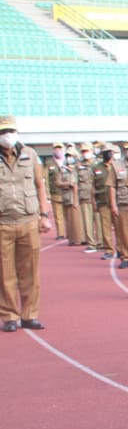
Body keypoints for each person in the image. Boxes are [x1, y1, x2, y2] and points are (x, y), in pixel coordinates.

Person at [0, 114, 53, 332]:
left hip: (28, 220)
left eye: (10, 131)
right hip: (3, 223)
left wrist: (44, 214)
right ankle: (9, 316)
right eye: (3, 132)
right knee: (5, 274)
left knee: (30, 272)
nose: (7, 136)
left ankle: (30, 315)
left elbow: (40, 184)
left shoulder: (30, 154)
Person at [104, 142, 128, 269]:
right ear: (124, 151)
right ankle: (126, 257)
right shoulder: (117, 166)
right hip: (124, 203)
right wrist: (113, 205)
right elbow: (111, 187)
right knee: (125, 233)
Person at [75, 142, 100, 253]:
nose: (85, 153)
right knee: (87, 222)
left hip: (98, 196)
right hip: (85, 196)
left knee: (99, 222)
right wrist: (76, 198)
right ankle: (91, 244)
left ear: (92, 151)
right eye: (83, 151)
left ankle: (101, 243)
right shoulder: (79, 166)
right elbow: (76, 182)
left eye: (87, 151)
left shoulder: (98, 164)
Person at [44, 143, 68, 239]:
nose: (58, 151)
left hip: (68, 192)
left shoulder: (68, 161)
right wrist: (47, 193)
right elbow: (45, 179)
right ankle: (61, 233)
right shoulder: (49, 163)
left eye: (60, 149)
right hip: (55, 192)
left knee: (69, 214)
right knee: (58, 215)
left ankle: (70, 233)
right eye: (56, 149)